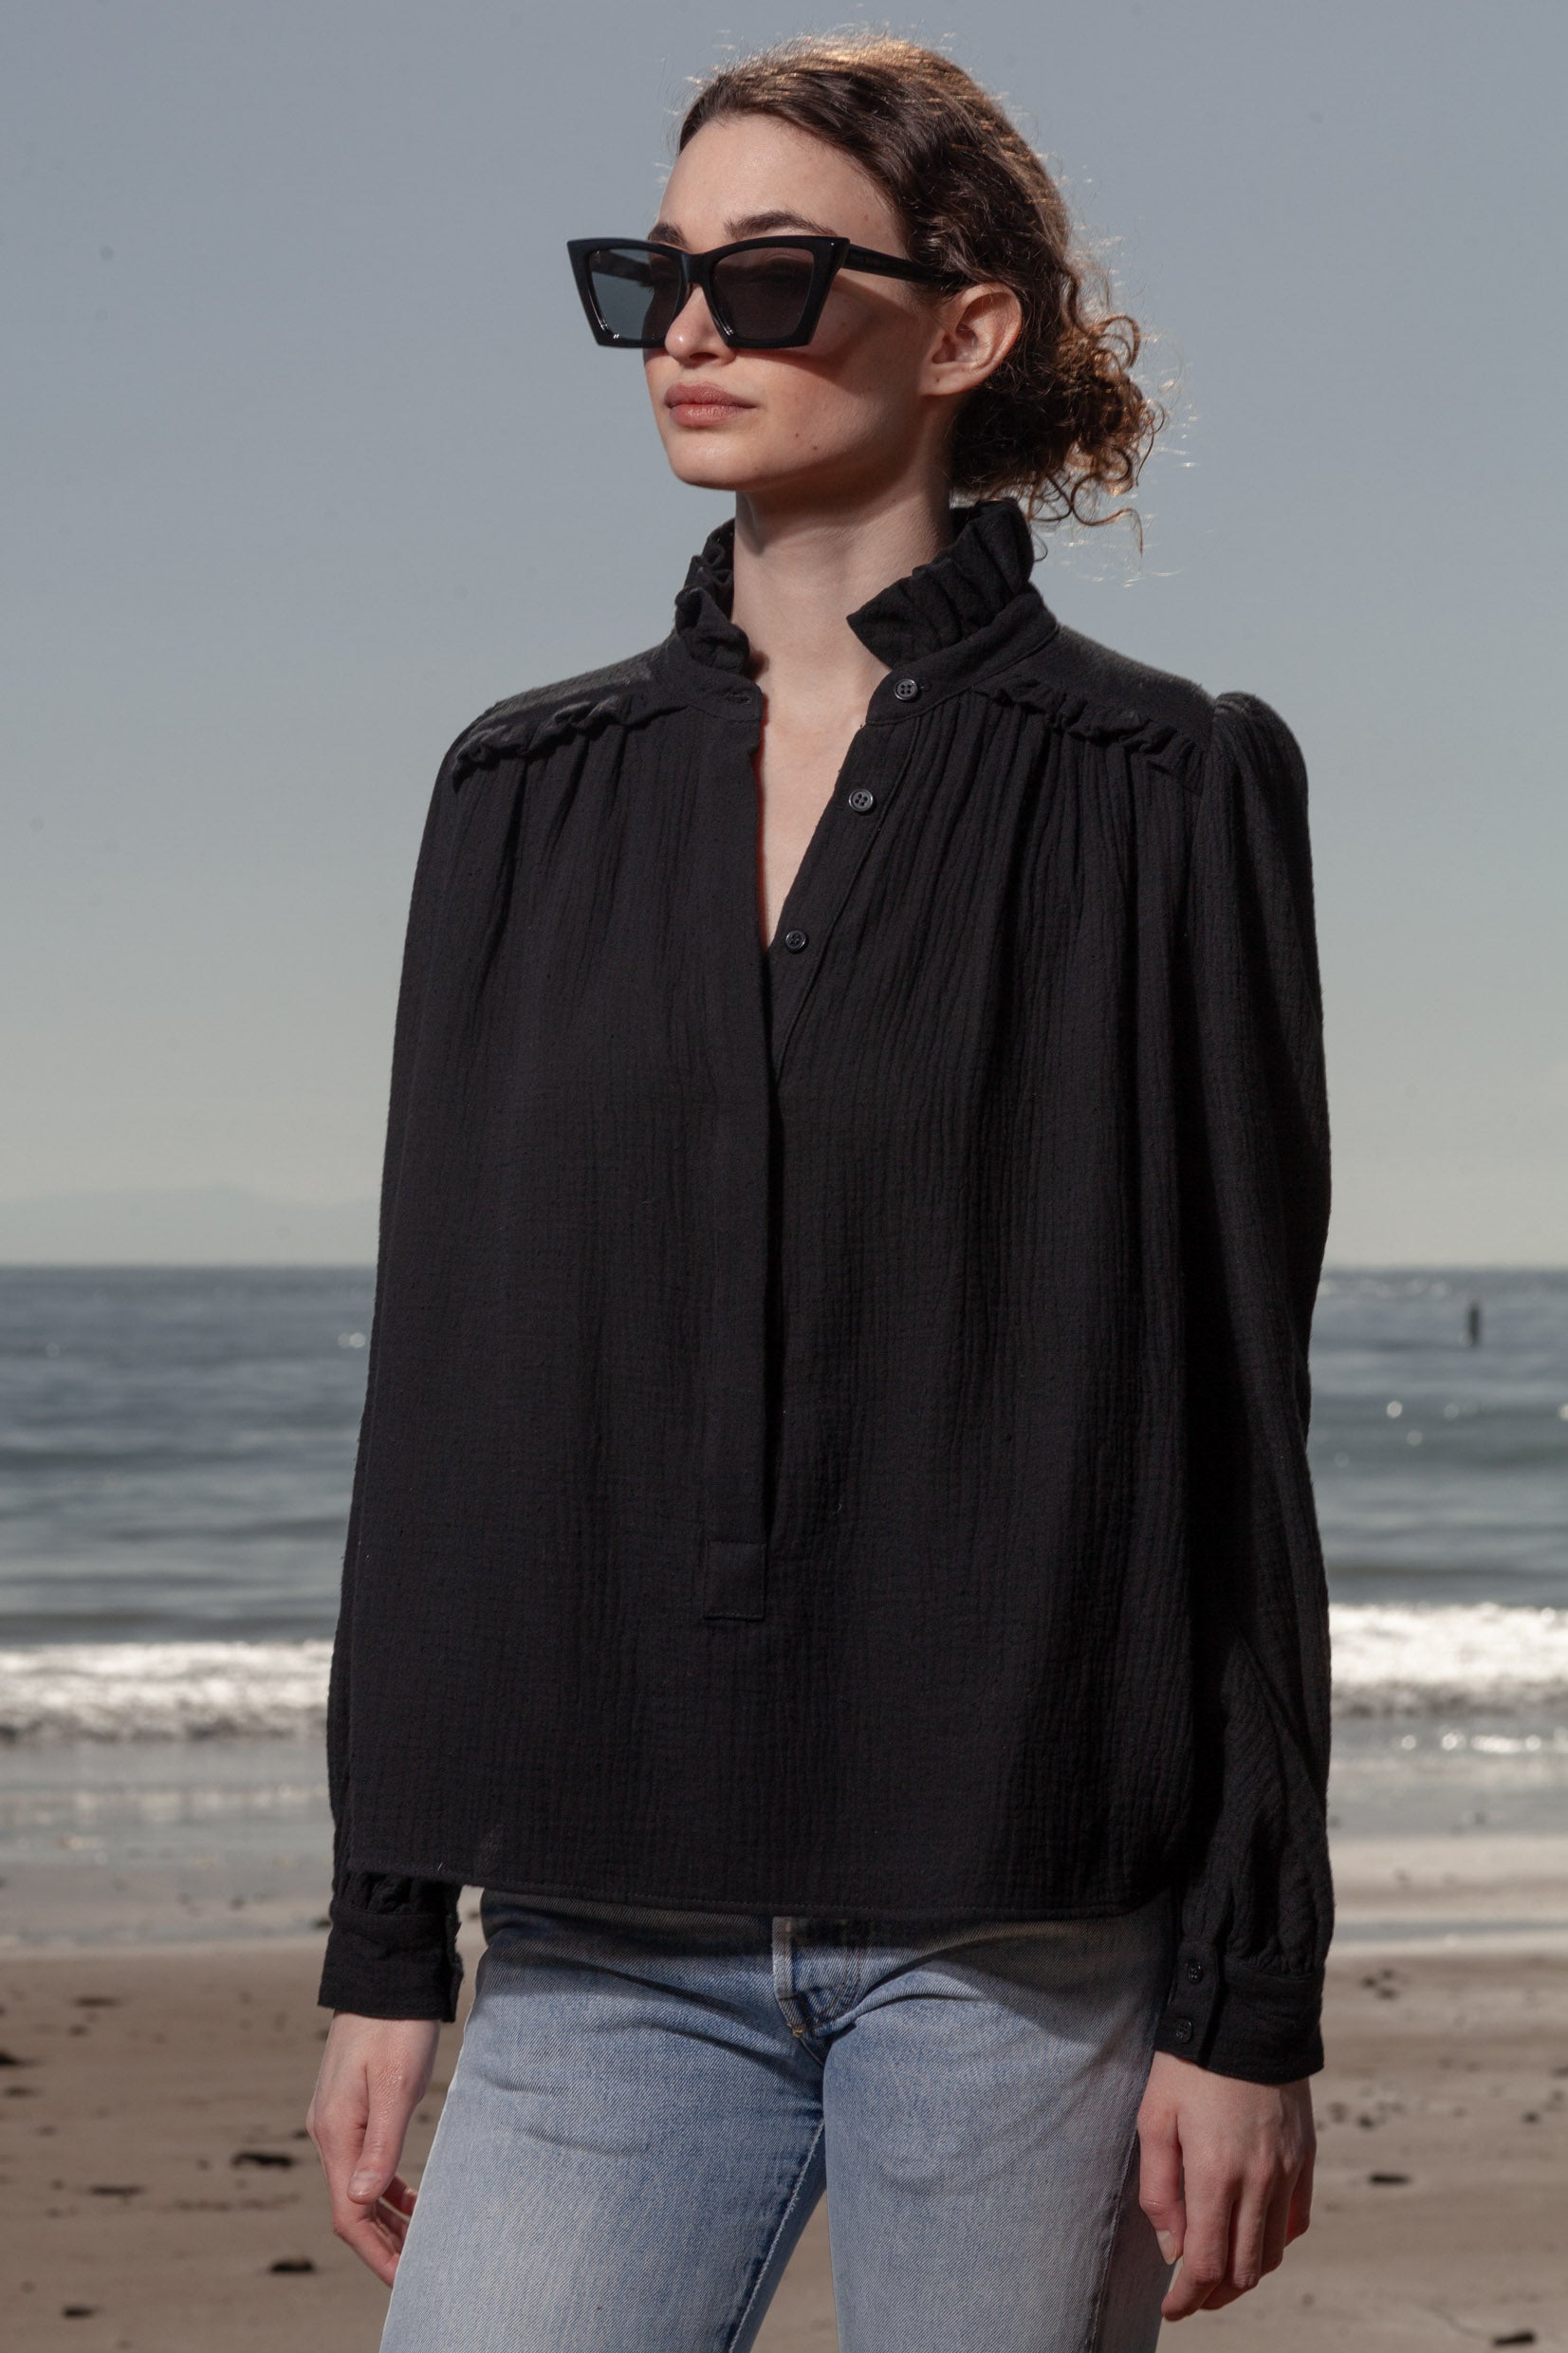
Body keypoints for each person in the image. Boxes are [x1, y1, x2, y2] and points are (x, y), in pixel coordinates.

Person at [305, 33, 1332, 2353]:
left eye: (764, 278)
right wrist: (384, 1937)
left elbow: (1227, 1420)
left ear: (961, 330)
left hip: (1027, 1940)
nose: (687, 329)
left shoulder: (1162, 785)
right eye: (648, 277)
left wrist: (1248, 1991)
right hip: (592, 1932)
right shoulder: (522, 789)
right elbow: (450, 1390)